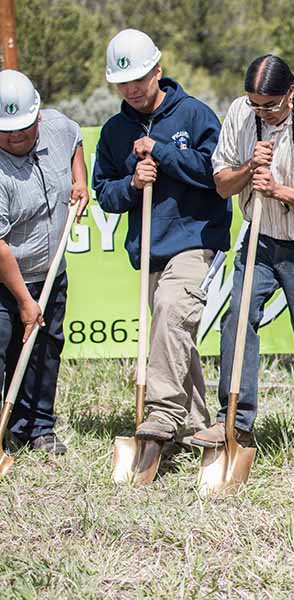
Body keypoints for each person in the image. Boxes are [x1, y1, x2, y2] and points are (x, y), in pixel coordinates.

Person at [191, 55, 294, 467]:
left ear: (290, 93)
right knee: (238, 319)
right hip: (259, 240)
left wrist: (280, 191)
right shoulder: (241, 114)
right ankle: (235, 422)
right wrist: (250, 167)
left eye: (269, 105)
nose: (260, 111)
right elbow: (223, 185)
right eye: (254, 103)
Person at [93, 29, 230, 446]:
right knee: (173, 331)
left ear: (159, 70)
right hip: (150, 248)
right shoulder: (115, 132)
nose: (132, 88)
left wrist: (163, 153)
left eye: (139, 77)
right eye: (123, 82)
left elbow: (217, 174)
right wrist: (133, 183)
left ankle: (164, 412)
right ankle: (196, 425)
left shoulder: (195, 115)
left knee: (172, 309)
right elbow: (105, 194)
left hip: (196, 240)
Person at [0, 70, 87, 456]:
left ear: (37, 117)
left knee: (45, 351)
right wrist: (23, 301)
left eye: (22, 129)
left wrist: (79, 180)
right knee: (3, 351)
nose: (15, 137)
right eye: (6, 132)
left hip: (50, 274)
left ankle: (37, 428)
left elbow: (76, 138)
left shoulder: (55, 126)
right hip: (6, 281)